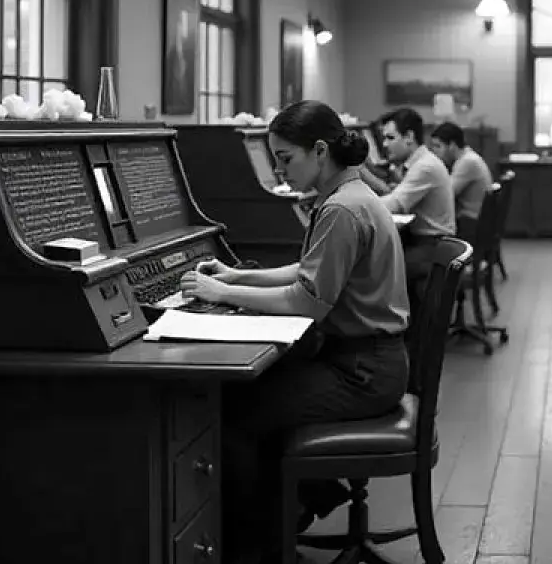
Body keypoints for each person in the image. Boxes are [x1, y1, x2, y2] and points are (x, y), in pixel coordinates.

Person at [179, 100, 411, 560]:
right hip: (370, 360)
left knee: (239, 418)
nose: (281, 172)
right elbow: (309, 270)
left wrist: (221, 294)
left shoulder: (342, 210)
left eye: (286, 159)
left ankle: (261, 544)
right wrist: (235, 276)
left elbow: (306, 302)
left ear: (320, 151)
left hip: (363, 371)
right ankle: (297, 506)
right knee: (256, 396)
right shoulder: (350, 195)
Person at [359, 108, 456, 290]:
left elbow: (394, 205)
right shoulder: (421, 162)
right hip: (430, 243)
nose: (385, 145)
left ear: (409, 137)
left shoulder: (425, 166)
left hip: (431, 248)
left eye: (390, 138)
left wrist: (352, 202)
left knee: (369, 272)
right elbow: (395, 194)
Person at [428, 121, 493, 241]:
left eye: (438, 146)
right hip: (477, 222)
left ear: (452, 145)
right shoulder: (467, 158)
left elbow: (446, 195)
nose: (434, 152)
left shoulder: (467, 162)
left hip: (470, 225)